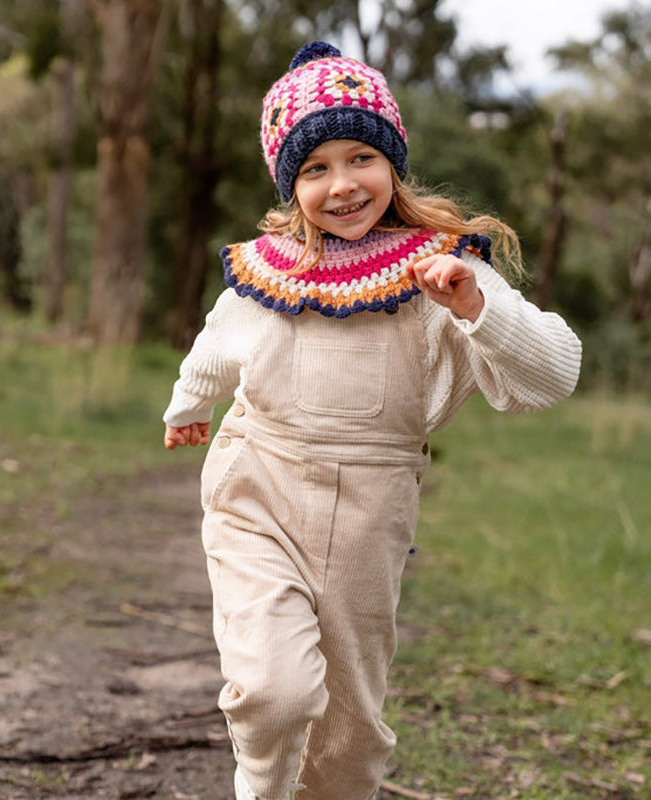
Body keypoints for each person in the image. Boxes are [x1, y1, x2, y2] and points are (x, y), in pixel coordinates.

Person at [162, 41, 582, 800]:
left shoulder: (443, 269)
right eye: (315, 168)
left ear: (393, 162)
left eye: (361, 157)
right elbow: (216, 345)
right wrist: (190, 404)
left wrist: (475, 307)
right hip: (259, 486)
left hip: (371, 513)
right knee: (273, 691)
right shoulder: (266, 270)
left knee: (351, 736)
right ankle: (260, 788)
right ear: (292, 185)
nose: (343, 184)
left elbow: (555, 373)